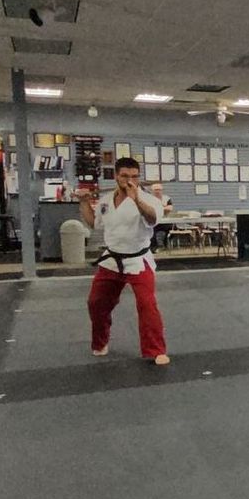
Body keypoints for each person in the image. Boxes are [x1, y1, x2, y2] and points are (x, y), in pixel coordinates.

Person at [77, 157, 170, 366]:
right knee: (96, 303)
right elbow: (94, 223)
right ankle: (100, 342)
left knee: (147, 304)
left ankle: (155, 350)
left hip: (138, 260)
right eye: (125, 176)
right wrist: (83, 202)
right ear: (116, 176)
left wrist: (136, 199)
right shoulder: (105, 200)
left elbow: (152, 219)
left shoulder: (149, 200)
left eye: (135, 176)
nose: (130, 180)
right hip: (111, 260)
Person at [148, 183, 174, 251]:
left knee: (174, 228)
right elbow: (148, 209)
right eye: (156, 190)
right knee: (150, 230)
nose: (157, 191)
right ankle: (154, 247)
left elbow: (170, 208)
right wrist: (164, 207)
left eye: (159, 189)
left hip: (165, 221)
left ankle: (165, 244)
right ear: (152, 191)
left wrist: (157, 207)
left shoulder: (167, 198)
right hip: (153, 221)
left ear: (162, 190)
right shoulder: (148, 198)